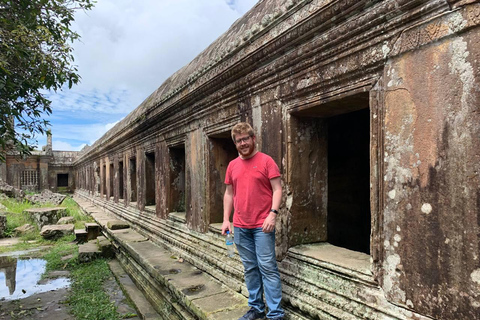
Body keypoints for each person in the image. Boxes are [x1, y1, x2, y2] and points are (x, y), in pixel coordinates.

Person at [222, 122, 284, 320]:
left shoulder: (266, 161)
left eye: (246, 138)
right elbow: (229, 194)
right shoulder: (232, 165)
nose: (243, 143)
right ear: (235, 144)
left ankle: (275, 314)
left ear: (253, 138)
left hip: (262, 226)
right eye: (239, 141)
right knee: (250, 269)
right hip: (240, 226)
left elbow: (278, 189)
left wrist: (272, 214)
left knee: (268, 268)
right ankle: (256, 308)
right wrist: (226, 220)